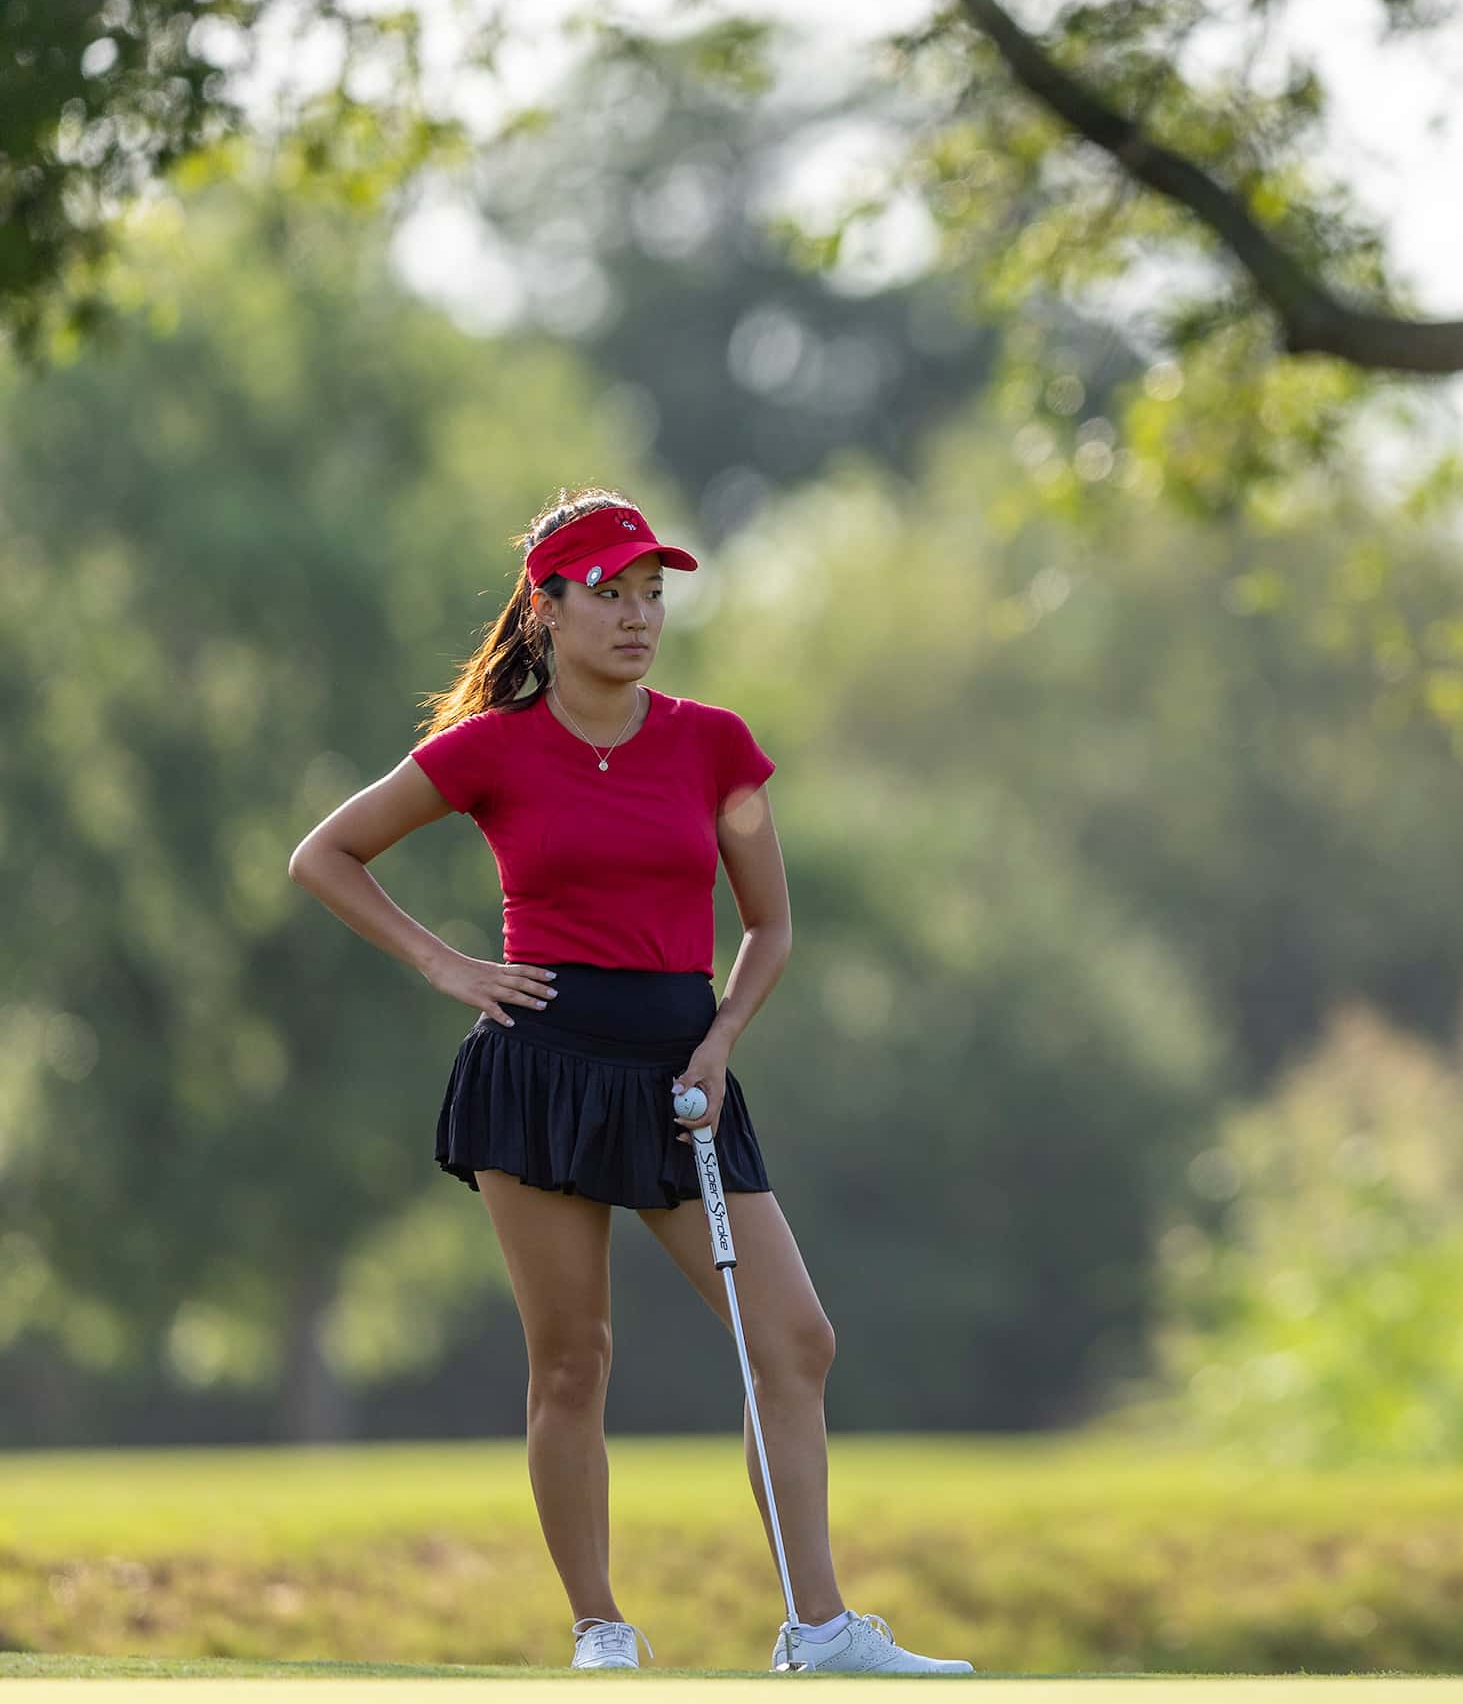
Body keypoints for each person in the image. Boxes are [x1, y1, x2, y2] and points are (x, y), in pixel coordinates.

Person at [287, 487, 971, 1675]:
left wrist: (721, 1043)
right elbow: (324, 855)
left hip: (680, 1072)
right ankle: (600, 1626)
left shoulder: (714, 744)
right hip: (542, 1069)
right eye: (611, 593)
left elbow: (767, 928)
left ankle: (819, 1631)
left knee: (794, 1341)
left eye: (653, 593)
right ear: (548, 609)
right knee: (572, 1358)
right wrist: (449, 967)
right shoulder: (489, 748)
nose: (639, 616)